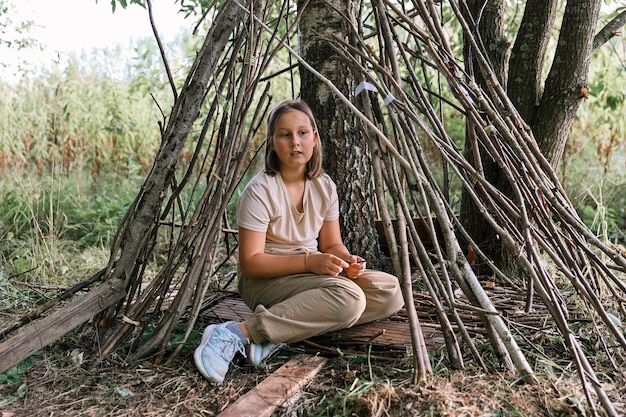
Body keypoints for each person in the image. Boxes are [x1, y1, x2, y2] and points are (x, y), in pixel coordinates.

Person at [194, 99, 404, 383]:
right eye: (285, 134)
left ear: (315, 138)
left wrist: (348, 261)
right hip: (266, 281)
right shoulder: (260, 191)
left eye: (303, 133)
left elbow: (331, 245)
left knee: (389, 290)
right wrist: (309, 261)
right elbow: (251, 264)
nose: (295, 142)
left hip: (310, 276)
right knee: (349, 300)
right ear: (272, 142)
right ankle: (235, 333)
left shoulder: (324, 186)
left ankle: (281, 330)